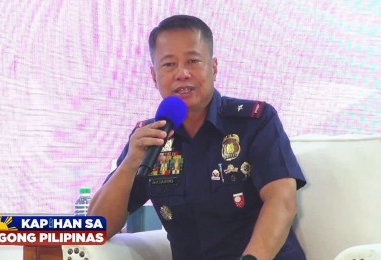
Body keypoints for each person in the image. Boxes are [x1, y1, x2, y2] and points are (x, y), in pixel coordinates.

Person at [88, 14, 307, 260]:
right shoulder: (150, 140)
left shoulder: (255, 122)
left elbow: (282, 200)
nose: (182, 73)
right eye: (169, 65)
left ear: (213, 67)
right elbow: (95, 229)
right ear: (154, 76)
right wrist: (129, 164)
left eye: (193, 61)